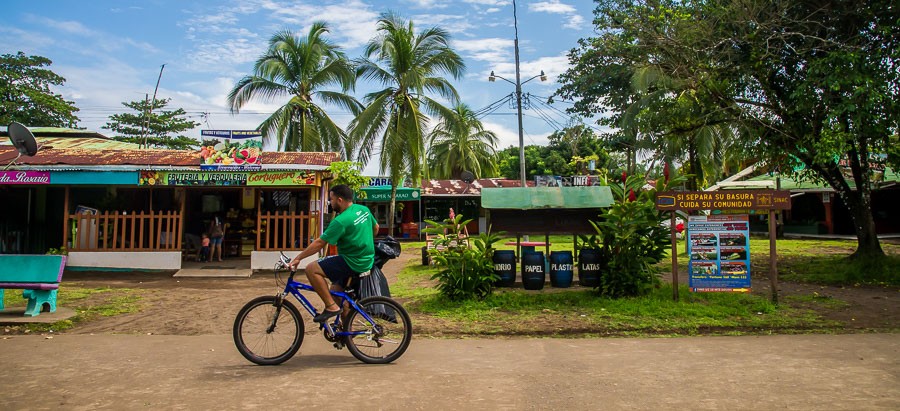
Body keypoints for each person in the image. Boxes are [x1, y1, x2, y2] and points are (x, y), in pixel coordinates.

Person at [291, 184, 379, 323]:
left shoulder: (341, 221)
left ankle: (331, 307)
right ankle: (345, 332)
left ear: (339, 200)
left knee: (311, 269)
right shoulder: (363, 210)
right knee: (336, 293)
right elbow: (376, 227)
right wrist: (364, 242)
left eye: (331, 200)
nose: (330, 203)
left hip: (352, 262)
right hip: (367, 259)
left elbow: (320, 243)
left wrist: (298, 258)